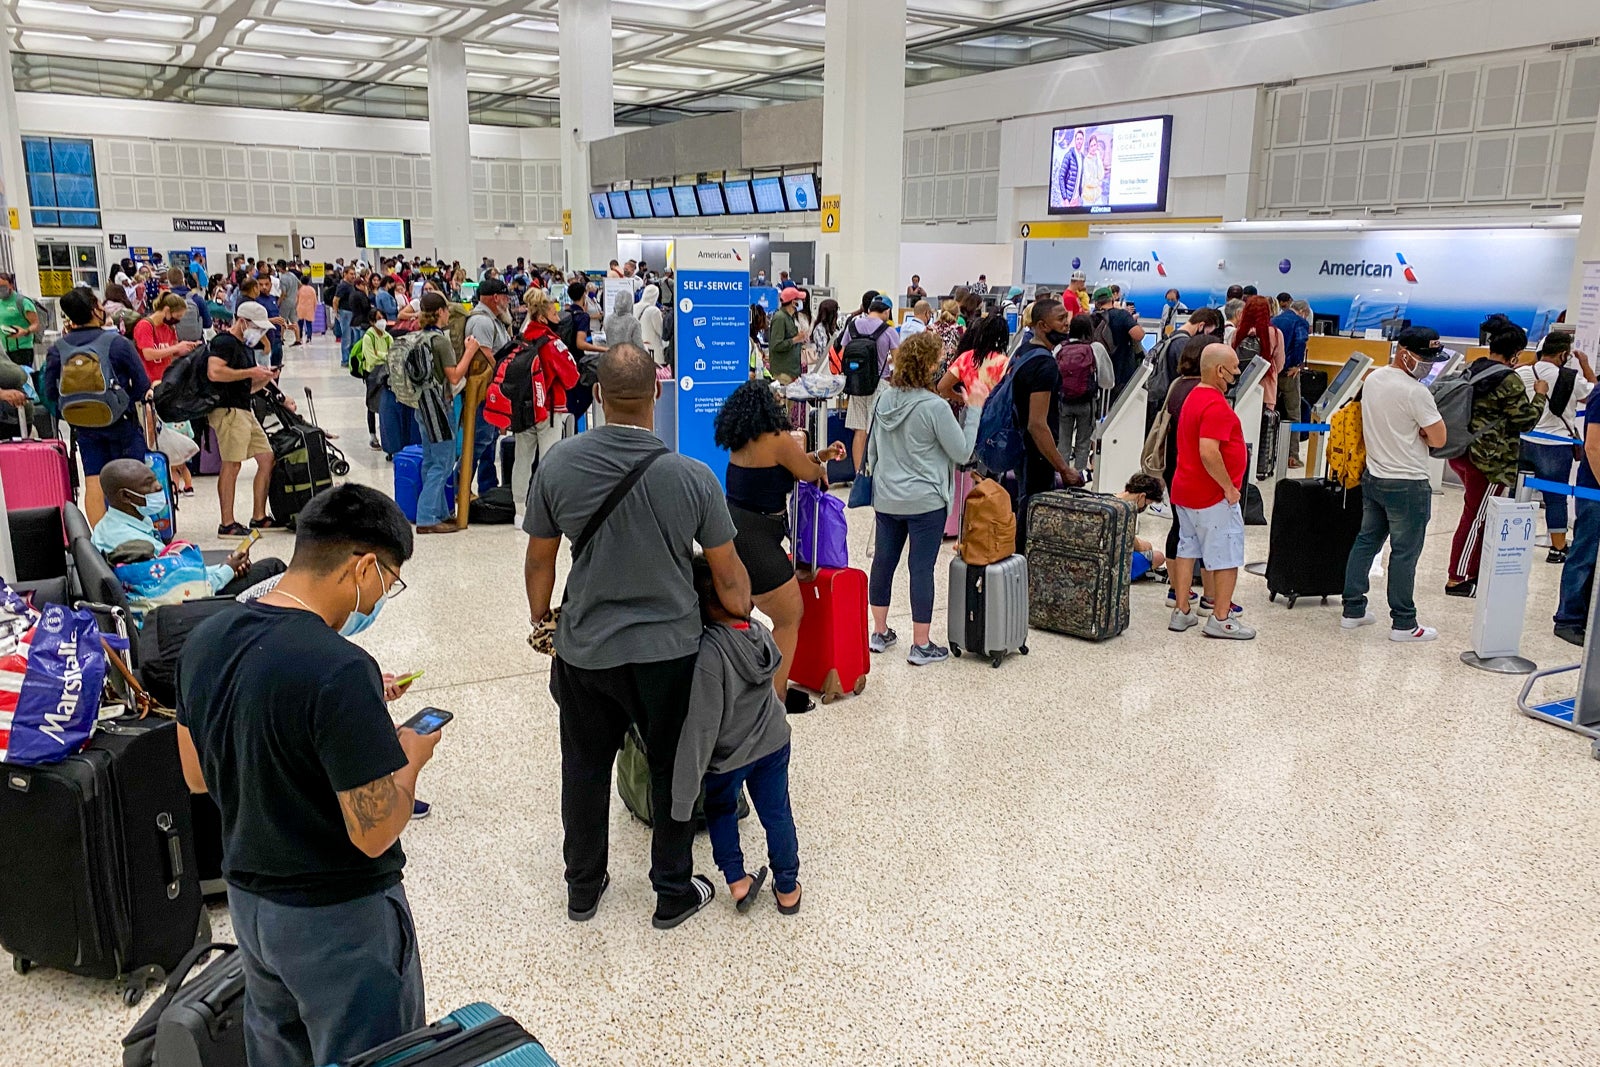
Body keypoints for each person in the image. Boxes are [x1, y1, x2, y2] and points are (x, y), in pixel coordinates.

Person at [175, 485, 438, 1067]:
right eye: (388, 580)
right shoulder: (341, 668)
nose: (381, 594)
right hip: (340, 918)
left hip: (252, 909)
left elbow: (196, 776)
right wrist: (410, 754)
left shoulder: (205, 639)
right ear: (363, 566)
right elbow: (374, 830)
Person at [524, 343, 752, 929]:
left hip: (586, 650)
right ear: (658, 393)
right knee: (675, 766)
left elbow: (540, 562)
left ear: (597, 395)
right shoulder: (692, 476)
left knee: (583, 766)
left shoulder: (558, 466)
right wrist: (743, 611)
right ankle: (672, 889)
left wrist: (541, 619)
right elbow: (729, 578)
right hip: (669, 654)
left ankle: (583, 887)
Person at [678, 555, 802, 915]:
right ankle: (788, 888)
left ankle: (737, 881)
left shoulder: (710, 654)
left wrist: (685, 789)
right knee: (777, 813)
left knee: (721, 812)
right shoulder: (760, 632)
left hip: (729, 757)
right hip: (773, 743)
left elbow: (702, 725)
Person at [714, 380, 843, 715]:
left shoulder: (740, 441)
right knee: (789, 615)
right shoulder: (777, 438)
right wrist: (821, 464)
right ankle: (776, 699)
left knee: (744, 613)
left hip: (732, 531)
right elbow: (805, 471)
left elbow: (784, 464)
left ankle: (753, 688)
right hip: (759, 539)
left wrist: (818, 455)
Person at [864, 331, 986, 665]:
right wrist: (974, 408)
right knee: (921, 568)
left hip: (887, 498)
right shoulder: (934, 407)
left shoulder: (883, 400)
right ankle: (920, 644)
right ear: (930, 365)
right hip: (926, 501)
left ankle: (879, 632)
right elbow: (961, 452)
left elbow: (872, 451)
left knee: (883, 562)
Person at [1341, 327, 1449, 643]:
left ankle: (1353, 610)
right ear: (1404, 352)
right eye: (1423, 358)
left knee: (1366, 542)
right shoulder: (1417, 392)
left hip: (1374, 477)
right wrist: (1422, 433)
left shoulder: (1373, 378)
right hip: (1409, 484)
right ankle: (1404, 623)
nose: (1428, 365)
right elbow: (1440, 438)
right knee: (1404, 554)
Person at [1446, 325, 1546, 597]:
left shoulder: (1475, 367)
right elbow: (1524, 420)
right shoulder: (1509, 380)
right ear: (1516, 352)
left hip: (1463, 452)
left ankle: (1473, 570)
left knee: (1477, 514)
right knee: (1477, 517)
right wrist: (1540, 395)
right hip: (1491, 460)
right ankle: (1458, 576)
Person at [1167, 344, 1255, 640]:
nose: (1238, 373)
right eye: (1234, 368)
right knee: (1226, 555)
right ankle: (1221, 617)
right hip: (1211, 496)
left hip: (1184, 490)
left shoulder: (1192, 396)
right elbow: (1208, 452)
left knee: (1187, 549)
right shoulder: (1216, 405)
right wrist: (1228, 487)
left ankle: (1182, 611)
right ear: (1220, 371)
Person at [93, 458, 283, 594]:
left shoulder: (116, 524)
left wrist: (225, 566)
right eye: (149, 484)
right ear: (125, 496)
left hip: (177, 583)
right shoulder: (129, 542)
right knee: (274, 568)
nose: (159, 487)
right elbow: (187, 588)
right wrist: (227, 570)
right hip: (185, 605)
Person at [43, 287, 152, 523]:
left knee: (93, 480)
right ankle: (133, 536)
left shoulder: (58, 349)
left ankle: (101, 543)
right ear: (95, 310)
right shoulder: (118, 343)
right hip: (122, 425)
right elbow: (142, 385)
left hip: (84, 427)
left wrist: (72, 411)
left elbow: (50, 392)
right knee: (130, 479)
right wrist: (122, 401)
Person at [1517, 332, 1595, 562]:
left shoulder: (1521, 373)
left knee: (1518, 493)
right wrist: (1585, 365)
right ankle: (1557, 548)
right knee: (1556, 497)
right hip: (1556, 445)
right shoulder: (1570, 378)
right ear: (1563, 354)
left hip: (1524, 440)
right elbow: (1593, 395)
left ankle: (1511, 539)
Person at [207, 301, 279, 537]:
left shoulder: (246, 347)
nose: (259, 333)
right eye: (256, 327)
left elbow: (246, 386)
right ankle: (226, 522)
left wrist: (266, 378)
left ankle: (259, 515)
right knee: (232, 464)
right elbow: (215, 372)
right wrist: (250, 372)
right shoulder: (223, 342)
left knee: (267, 458)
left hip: (244, 408)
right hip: (228, 411)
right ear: (242, 321)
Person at [510, 290, 582, 523]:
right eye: (553, 311)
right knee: (550, 461)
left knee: (522, 459)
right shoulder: (552, 343)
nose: (558, 315)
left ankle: (519, 510)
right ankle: (548, 511)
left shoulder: (520, 338)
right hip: (550, 408)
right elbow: (571, 377)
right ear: (543, 316)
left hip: (522, 407)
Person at [407, 292, 474, 535]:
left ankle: (441, 512)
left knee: (431, 461)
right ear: (440, 312)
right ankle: (426, 518)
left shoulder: (417, 338)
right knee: (443, 463)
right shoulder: (440, 341)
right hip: (439, 409)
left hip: (421, 406)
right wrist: (469, 350)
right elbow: (454, 376)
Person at [1010, 299, 1084, 508]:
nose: (1066, 324)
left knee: (1024, 504)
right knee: (1034, 510)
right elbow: (1037, 423)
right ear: (1042, 325)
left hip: (1018, 446)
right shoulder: (1045, 365)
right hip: (1036, 455)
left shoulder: (1023, 351)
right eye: (1060, 319)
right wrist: (1063, 468)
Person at [1554, 376, 1600, 645]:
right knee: (1585, 552)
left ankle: (1588, 617)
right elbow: (1593, 447)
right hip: (1594, 491)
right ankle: (1569, 618)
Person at [842, 295, 900, 472]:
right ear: (886, 311)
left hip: (856, 385)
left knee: (859, 431)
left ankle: (859, 474)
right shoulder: (888, 331)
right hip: (880, 385)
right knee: (878, 433)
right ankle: (876, 474)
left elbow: (844, 353)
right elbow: (898, 362)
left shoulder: (852, 326)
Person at [1054, 313, 1115, 473]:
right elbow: (1108, 381)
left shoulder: (1060, 348)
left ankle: (1061, 477)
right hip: (1086, 403)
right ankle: (1078, 478)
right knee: (1083, 443)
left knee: (1063, 441)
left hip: (1064, 402)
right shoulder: (1096, 348)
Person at [1231, 294, 1285, 411]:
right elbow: (1280, 364)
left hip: (1241, 387)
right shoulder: (1275, 334)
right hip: (1266, 390)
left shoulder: (1237, 334)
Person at [1091, 286, 1145, 394]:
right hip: (1123, 371)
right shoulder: (1122, 315)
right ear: (1112, 299)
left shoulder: (1091, 318)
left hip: (1101, 373)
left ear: (1096, 303)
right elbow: (1139, 335)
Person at [1116, 473, 1167, 581]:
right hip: (1116, 563)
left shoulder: (1112, 499)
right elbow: (1134, 544)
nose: (1145, 507)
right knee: (1158, 556)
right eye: (1147, 503)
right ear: (1142, 496)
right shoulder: (1126, 511)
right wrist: (1144, 546)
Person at [767, 286, 804, 384]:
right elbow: (776, 345)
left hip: (791, 372)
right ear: (793, 302)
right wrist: (795, 339)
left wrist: (800, 340)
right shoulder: (780, 318)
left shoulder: (789, 318)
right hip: (783, 374)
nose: (802, 302)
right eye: (799, 300)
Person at [809, 298, 839, 373]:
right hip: (822, 368)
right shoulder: (820, 329)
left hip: (832, 366)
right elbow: (824, 351)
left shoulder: (833, 328)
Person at [638, 283, 665, 366]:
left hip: (638, 347)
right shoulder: (654, 311)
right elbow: (660, 331)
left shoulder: (634, 307)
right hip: (653, 349)